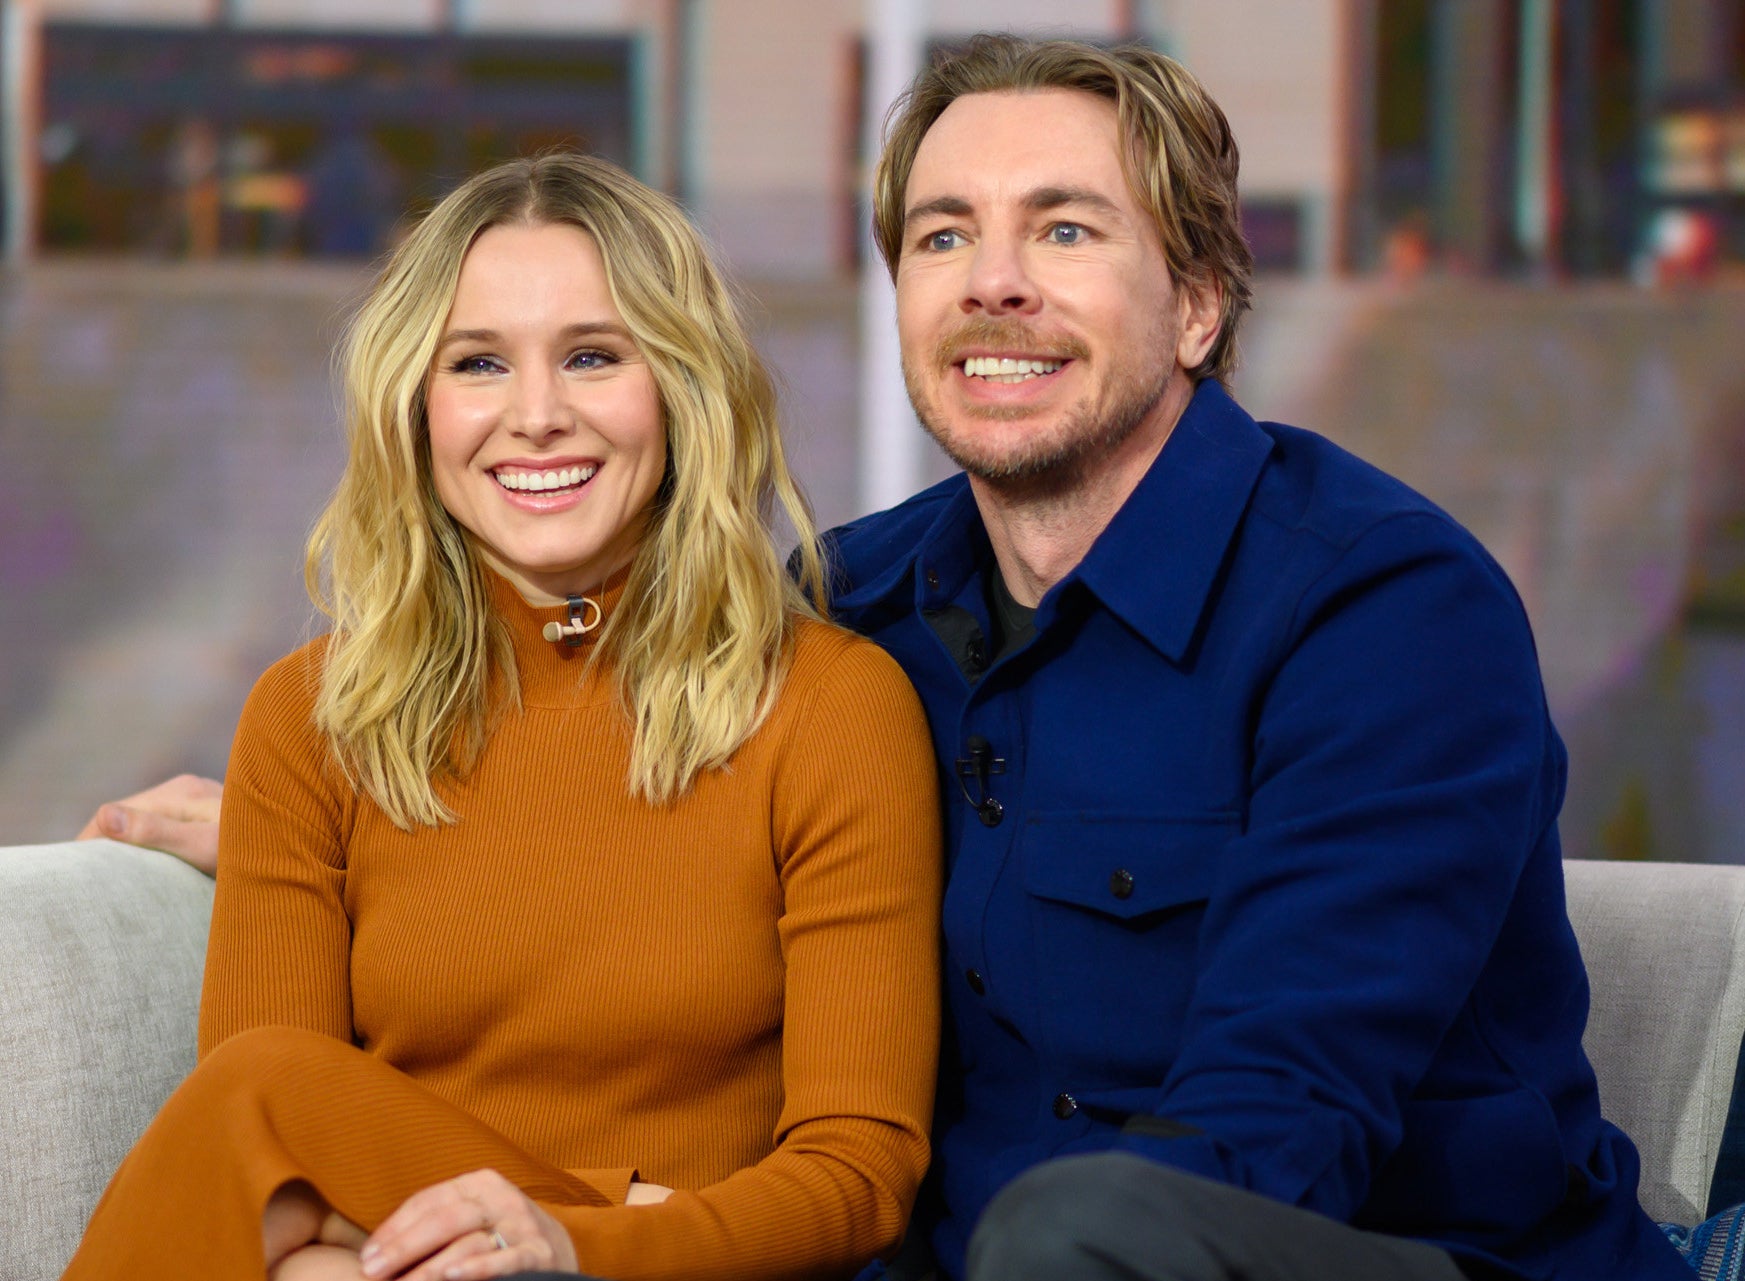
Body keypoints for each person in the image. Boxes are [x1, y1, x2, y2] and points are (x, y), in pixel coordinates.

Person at [85, 35, 1693, 1281]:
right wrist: (332, 842)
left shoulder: (1383, 612)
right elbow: (660, 787)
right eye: (942, 234)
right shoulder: (866, 604)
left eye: (1063, 229)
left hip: (1359, 1256)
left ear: (1198, 301)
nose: (992, 279)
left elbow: (1279, 1123)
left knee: (1083, 1237)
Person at [63, 151, 941, 1281]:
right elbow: (270, 1195)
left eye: (591, 356)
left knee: (260, 1094)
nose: (536, 416)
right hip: (408, 1260)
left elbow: (859, 1175)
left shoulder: (830, 705)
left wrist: (580, 1243)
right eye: (477, 363)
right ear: (414, 409)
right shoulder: (309, 720)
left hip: (674, 1264)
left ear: (681, 388)